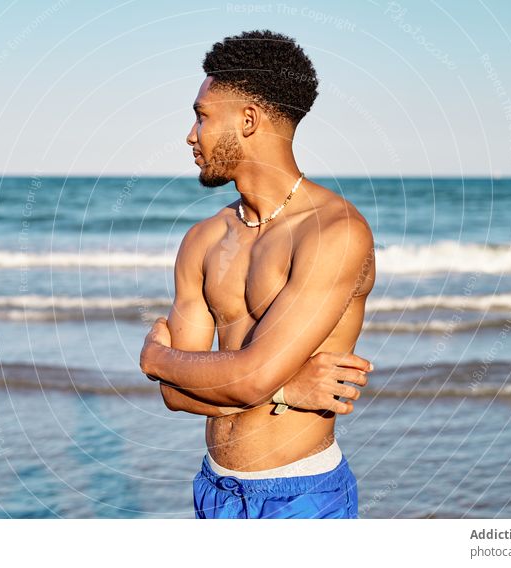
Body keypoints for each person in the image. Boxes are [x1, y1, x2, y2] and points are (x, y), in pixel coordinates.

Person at [139, 29, 376, 519]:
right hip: (213, 489)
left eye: (201, 116)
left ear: (247, 120)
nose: (190, 135)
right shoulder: (203, 239)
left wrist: (159, 357)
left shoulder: (334, 232)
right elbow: (174, 395)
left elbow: (243, 380)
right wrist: (288, 388)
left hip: (302, 496)